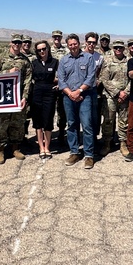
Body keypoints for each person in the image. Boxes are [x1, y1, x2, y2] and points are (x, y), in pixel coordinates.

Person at [0, 34, 33, 163]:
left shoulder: (25, 61)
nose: (17, 44)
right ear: (10, 42)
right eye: (15, 42)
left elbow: (27, 80)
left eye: (19, 42)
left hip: (18, 98)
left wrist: (25, 97)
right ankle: (0, 151)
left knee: (17, 124)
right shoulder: (0, 58)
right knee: (1, 125)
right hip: (2, 98)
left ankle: (15, 148)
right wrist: (7, 72)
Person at [57, 33, 98, 169]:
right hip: (68, 97)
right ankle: (74, 152)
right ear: (67, 46)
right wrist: (71, 94)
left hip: (84, 96)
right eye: (70, 45)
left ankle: (89, 155)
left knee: (87, 125)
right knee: (72, 124)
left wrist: (79, 91)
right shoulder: (64, 60)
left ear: (79, 44)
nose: (73, 46)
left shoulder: (88, 58)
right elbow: (61, 80)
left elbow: (91, 77)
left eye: (75, 44)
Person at [98, 40, 129, 154]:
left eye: (120, 48)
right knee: (108, 120)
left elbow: (132, 79)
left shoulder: (128, 62)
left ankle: (123, 143)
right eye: (116, 48)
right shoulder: (108, 62)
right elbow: (104, 80)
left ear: (123, 48)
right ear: (113, 49)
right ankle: (107, 143)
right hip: (110, 97)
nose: (118, 50)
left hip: (125, 97)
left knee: (124, 120)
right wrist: (117, 92)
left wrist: (125, 92)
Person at [30, 40, 58, 158]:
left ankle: (47, 147)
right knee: (38, 121)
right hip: (36, 92)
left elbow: (61, 76)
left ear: (48, 49)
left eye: (44, 49)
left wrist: (59, 83)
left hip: (50, 93)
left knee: (48, 120)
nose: (42, 51)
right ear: (36, 51)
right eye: (39, 50)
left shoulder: (55, 62)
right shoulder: (34, 63)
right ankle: (41, 147)